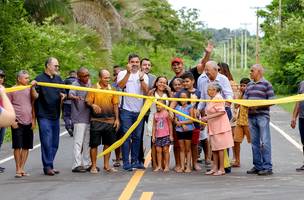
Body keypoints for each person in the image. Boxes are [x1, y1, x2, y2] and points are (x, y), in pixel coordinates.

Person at [31, 57, 65, 176]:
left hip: (55, 114)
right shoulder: (39, 79)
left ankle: (50, 164)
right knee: (46, 141)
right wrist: (33, 87)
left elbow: (63, 93)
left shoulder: (58, 79)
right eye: (55, 66)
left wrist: (63, 96)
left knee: (55, 142)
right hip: (43, 115)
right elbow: (35, 97)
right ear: (48, 66)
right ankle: (47, 166)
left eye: (58, 66)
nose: (57, 68)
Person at [117, 54, 149, 171]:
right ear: (128, 62)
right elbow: (120, 86)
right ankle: (126, 162)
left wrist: (141, 78)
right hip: (126, 110)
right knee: (126, 137)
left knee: (137, 137)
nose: (134, 64)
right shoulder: (122, 73)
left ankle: (135, 161)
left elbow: (146, 91)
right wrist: (128, 73)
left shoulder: (143, 75)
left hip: (139, 111)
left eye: (137, 62)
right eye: (132, 62)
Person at [86, 69, 119, 173]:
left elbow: (115, 105)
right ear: (100, 78)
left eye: (109, 77)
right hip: (96, 120)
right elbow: (87, 101)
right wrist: (92, 104)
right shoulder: (93, 88)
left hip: (109, 121)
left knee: (108, 144)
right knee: (94, 144)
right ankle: (94, 166)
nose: (108, 80)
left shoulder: (112, 89)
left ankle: (106, 165)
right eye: (105, 78)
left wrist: (117, 119)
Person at [244, 64, 275, 176]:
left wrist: (257, 106)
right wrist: (247, 105)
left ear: (259, 72)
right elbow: (245, 99)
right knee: (254, 142)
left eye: (252, 71)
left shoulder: (266, 84)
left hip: (262, 116)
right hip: (251, 117)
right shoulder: (249, 85)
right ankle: (258, 166)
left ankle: (267, 167)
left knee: (265, 142)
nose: (250, 72)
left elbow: (272, 100)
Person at [171, 72, 202, 171]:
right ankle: (181, 164)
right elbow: (173, 106)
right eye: (183, 81)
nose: (185, 83)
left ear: (193, 81)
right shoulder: (179, 93)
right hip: (180, 123)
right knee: (180, 145)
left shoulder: (198, 92)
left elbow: (202, 106)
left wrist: (201, 116)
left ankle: (194, 163)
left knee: (194, 144)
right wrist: (173, 115)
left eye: (187, 81)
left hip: (194, 122)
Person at [7, 70, 35, 178]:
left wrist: (33, 119)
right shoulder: (12, 90)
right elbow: (7, 105)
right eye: (26, 78)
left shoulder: (29, 88)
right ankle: (17, 168)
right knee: (18, 146)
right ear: (19, 79)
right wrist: (12, 121)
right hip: (17, 122)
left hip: (28, 121)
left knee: (26, 146)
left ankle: (22, 168)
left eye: (28, 78)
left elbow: (35, 100)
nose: (28, 80)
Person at [202, 83, 234, 176]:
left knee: (220, 148)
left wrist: (207, 117)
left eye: (212, 90)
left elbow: (221, 112)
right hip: (213, 127)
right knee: (215, 148)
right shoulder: (212, 99)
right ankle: (215, 167)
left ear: (217, 91)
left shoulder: (218, 98)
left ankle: (221, 168)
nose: (210, 91)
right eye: (209, 89)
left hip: (220, 127)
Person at [69, 67, 91, 173]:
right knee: (78, 142)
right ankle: (76, 164)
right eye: (84, 76)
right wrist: (74, 97)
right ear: (78, 76)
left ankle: (87, 164)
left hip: (88, 116)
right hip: (78, 117)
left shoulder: (89, 83)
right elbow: (70, 94)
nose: (87, 77)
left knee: (87, 142)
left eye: (88, 75)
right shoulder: (75, 84)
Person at [146, 76, 172, 170]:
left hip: (165, 119)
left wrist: (170, 92)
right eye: (160, 82)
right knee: (154, 143)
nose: (162, 84)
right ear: (156, 83)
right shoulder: (152, 93)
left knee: (165, 145)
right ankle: (155, 164)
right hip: (153, 118)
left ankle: (165, 165)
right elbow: (146, 104)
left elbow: (172, 104)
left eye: (164, 82)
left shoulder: (168, 94)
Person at [139, 58, 156, 165]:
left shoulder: (153, 78)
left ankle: (154, 159)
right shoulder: (135, 76)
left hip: (150, 110)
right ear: (141, 66)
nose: (147, 67)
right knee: (138, 136)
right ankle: (140, 159)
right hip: (139, 110)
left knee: (153, 134)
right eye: (145, 65)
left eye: (149, 65)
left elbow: (150, 92)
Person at [231, 78, 251, 167]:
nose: (242, 87)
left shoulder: (251, 96)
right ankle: (237, 160)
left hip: (248, 122)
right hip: (239, 122)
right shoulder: (241, 95)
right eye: (241, 85)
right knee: (236, 141)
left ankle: (259, 161)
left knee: (253, 142)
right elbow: (236, 106)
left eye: (244, 86)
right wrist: (240, 94)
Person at [175, 90, 195, 173]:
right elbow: (175, 119)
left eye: (184, 97)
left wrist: (182, 123)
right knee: (181, 149)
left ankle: (188, 166)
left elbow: (191, 120)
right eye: (181, 98)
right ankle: (182, 166)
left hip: (188, 130)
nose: (182, 99)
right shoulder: (177, 108)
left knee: (188, 149)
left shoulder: (190, 107)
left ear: (187, 98)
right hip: (179, 130)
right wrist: (179, 123)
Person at [152, 101, 173, 172]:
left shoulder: (166, 114)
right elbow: (154, 126)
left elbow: (170, 125)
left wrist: (171, 135)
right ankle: (159, 166)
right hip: (158, 135)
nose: (158, 106)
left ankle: (166, 166)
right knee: (158, 151)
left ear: (164, 105)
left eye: (160, 105)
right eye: (157, 105)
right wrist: (153, 136)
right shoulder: (155, 114)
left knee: (165, 150)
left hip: (165, 135)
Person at [0, 69, 14, 173]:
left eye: (2, 77)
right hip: (3, 116)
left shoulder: (4, 90)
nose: (0, 79)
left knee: (0, 141)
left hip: (3, 118)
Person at [291, 81, 304, 171]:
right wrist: (294, 117)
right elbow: (298, 101)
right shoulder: (302, 84)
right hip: (302, 117)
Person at [112, 65, 123, 168]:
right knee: (117, 135)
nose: (116, 76)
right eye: (115, 74)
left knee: (127, 135)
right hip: (115, 111)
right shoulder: (111, 86)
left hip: (126, 110)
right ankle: (117, 158)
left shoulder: (126, 84)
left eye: (119, 74)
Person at [62, 70, 77, 137]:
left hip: (66, 101)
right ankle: (72, 127)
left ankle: (68, 127)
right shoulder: (78, 82)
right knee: (74, 116)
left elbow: (61, 90)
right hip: (74, 102)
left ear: (69, 74)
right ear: (75, 74)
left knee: (66, 116)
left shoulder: (65, 81)